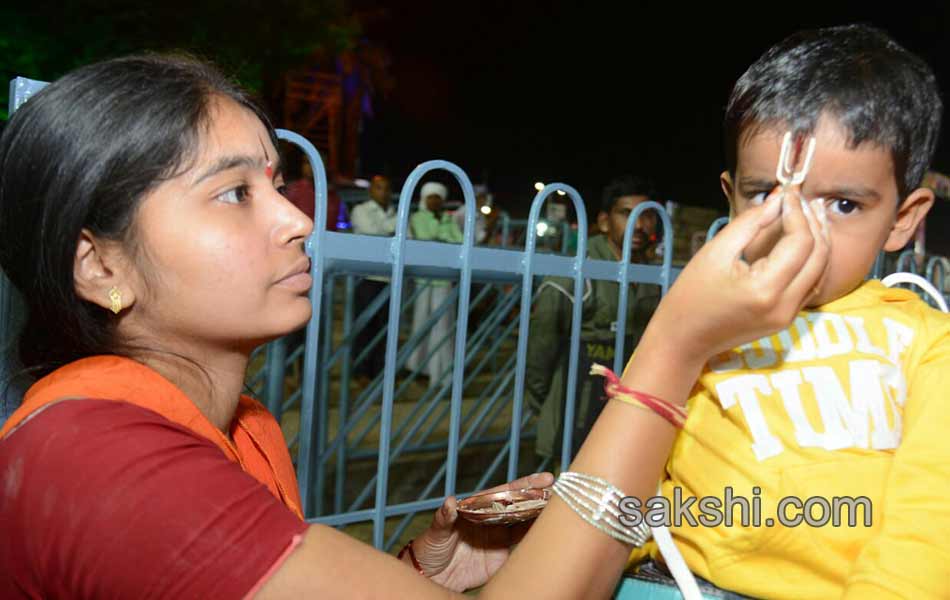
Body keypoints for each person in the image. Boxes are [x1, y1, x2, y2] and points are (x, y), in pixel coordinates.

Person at [0, 53, 829, 599]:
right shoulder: (102, 460)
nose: (296, 221)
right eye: (233, 194)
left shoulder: (241, 429)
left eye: (277, 183)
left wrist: (415, 571)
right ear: (99, 267)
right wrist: (676, 345)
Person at [626, 25, 950, 599]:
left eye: (844, 204)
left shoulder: (928, 343)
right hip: (667, 583)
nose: (798, 226)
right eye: (766, 194)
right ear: (730, 196)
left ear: (903, 217)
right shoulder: (703, 319)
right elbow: (638, 473)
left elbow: (931, 521)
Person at [527, 175, 662, 463]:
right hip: (574, 411)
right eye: (626, 213)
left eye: (647, 214)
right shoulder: (579, 271)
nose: (639, 224)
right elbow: (541, 345)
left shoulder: (653, 275)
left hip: (628, 413)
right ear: (604, 221)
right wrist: (542, 403)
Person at [407, 181, 464, 385]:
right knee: (422, 322)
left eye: (438, 197)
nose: (434, 201)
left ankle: (442, 374)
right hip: (424, 278)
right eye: (431, 197)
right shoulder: (416, 218)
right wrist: (442, 241)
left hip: (444, 279)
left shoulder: (448, 220)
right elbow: (423, 240)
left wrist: (440, 240)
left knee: (444, 326)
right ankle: (419, 368)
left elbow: (459, 242)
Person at [350, 175, 397, 382]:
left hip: (389, 278)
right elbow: (372, 234)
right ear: (371, 191)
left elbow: (408, 237)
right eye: (379, 188)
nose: (384, 192)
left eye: (387, 188)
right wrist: (393, 231)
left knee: (385, 329)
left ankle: (380, 373)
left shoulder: (396, 212)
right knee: (364, 327)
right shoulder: (360, 210)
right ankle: (361, 371)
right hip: (367, 277)